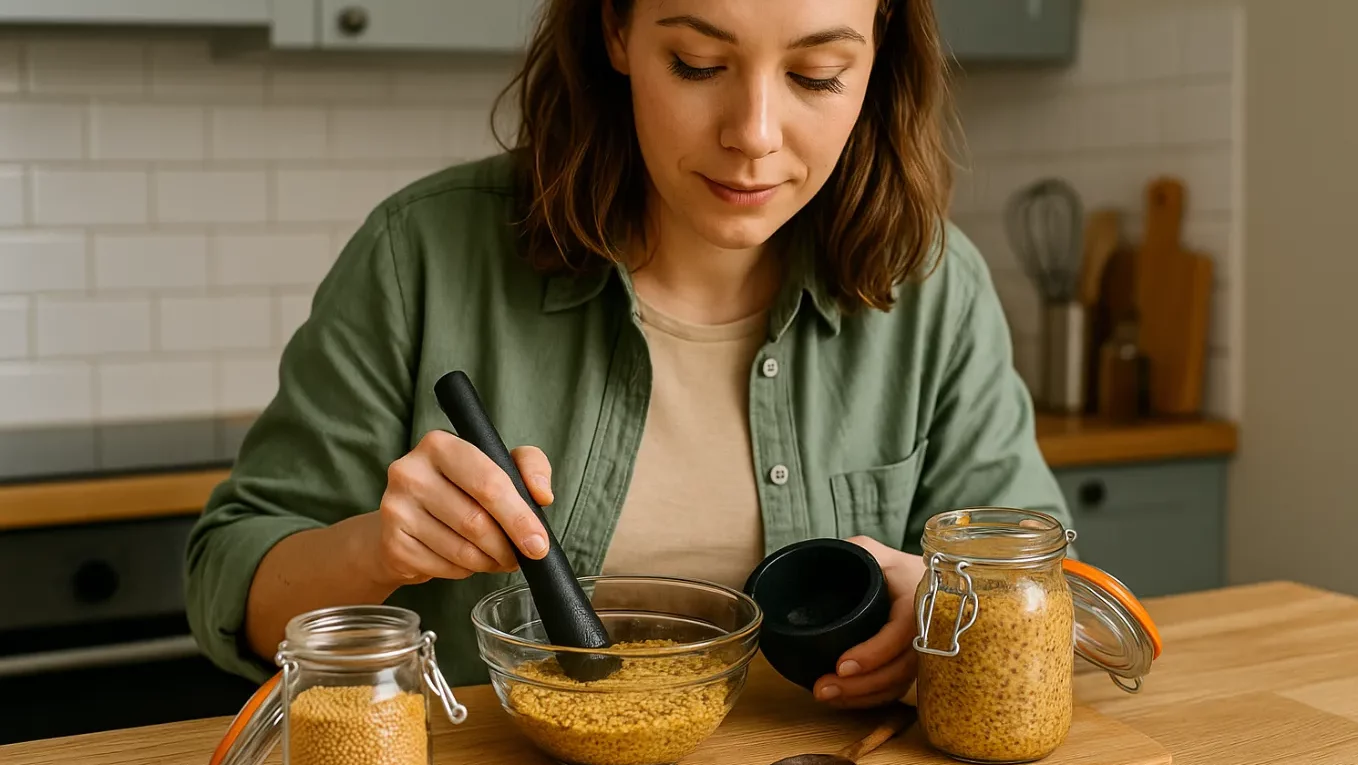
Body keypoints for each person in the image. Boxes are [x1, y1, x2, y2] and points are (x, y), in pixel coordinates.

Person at [184, 0, 1071, 711]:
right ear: (616, 28)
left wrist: (952, 603)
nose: (754, 132)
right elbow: (236, 585)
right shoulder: (420, 254)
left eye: (816, 75)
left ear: (877, 54)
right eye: (697, 64)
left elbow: (1055, 597)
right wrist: (381, 549)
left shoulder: (934, 284)